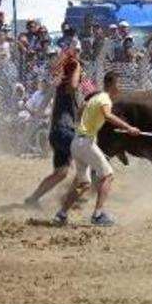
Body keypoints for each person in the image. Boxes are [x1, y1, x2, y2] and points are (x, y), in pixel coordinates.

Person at [54, 71, 140, 226]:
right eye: (118, 84)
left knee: (84, 183)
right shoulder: (105, 99)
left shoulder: (94, 98)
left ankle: (61, 214)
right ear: (112, 84)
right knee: (107, 175)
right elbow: (107, 115)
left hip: (77, 143)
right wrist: (129, 128)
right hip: (86, 143)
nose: (120, 88)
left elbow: (81, 111)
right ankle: (98, 215)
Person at [25, 39, 82, 207]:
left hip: (57, 132)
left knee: (61, 173)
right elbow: (72, 86)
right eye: (76, 53)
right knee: (89, 161)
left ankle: (33, 199)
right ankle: (71, 199)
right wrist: (77, 68)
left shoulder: (59, 78)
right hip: (65, 131)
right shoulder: (69, 74)